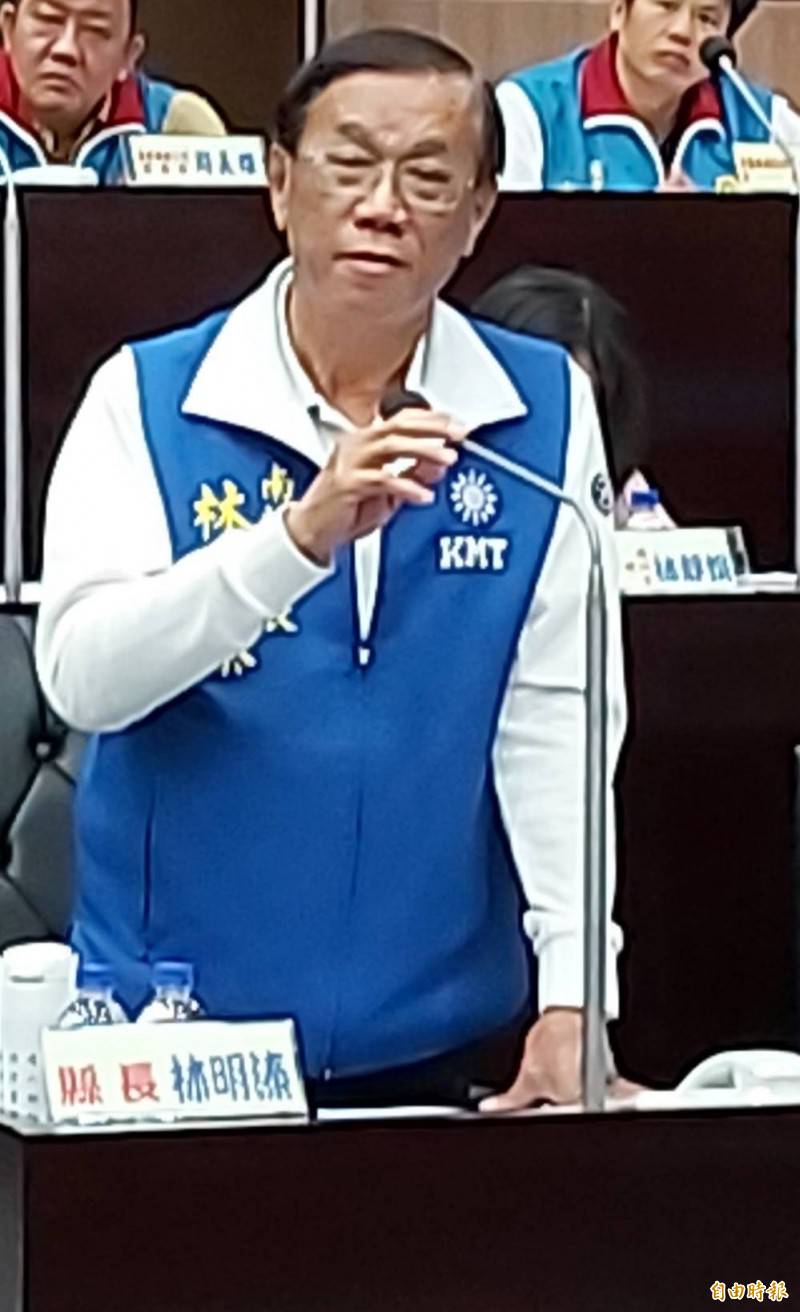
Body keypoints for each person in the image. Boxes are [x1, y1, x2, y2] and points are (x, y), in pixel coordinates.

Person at [36, 28, 626, 1110]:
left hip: (442, 1043)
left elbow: (560, 720)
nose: (383, 205)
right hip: (176, 1046)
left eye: (429, 178)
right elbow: (83, 677)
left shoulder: (538, 414)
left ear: (479, 214)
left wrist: (573, 995)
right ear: (278, 183)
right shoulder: (150, 398)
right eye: (349, 164)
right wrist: (295, 541)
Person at [496, 0, 800, 191]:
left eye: (707, 18)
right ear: (619, 10)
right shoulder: (528, 111)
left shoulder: (767, 124)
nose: (682, 32)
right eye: (665, 5)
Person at [0, 0, 225, 181]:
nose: (66, 49)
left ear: (129, 56)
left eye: (95, 31)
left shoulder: (177, 125)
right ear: (8, 28)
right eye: (48, 19)